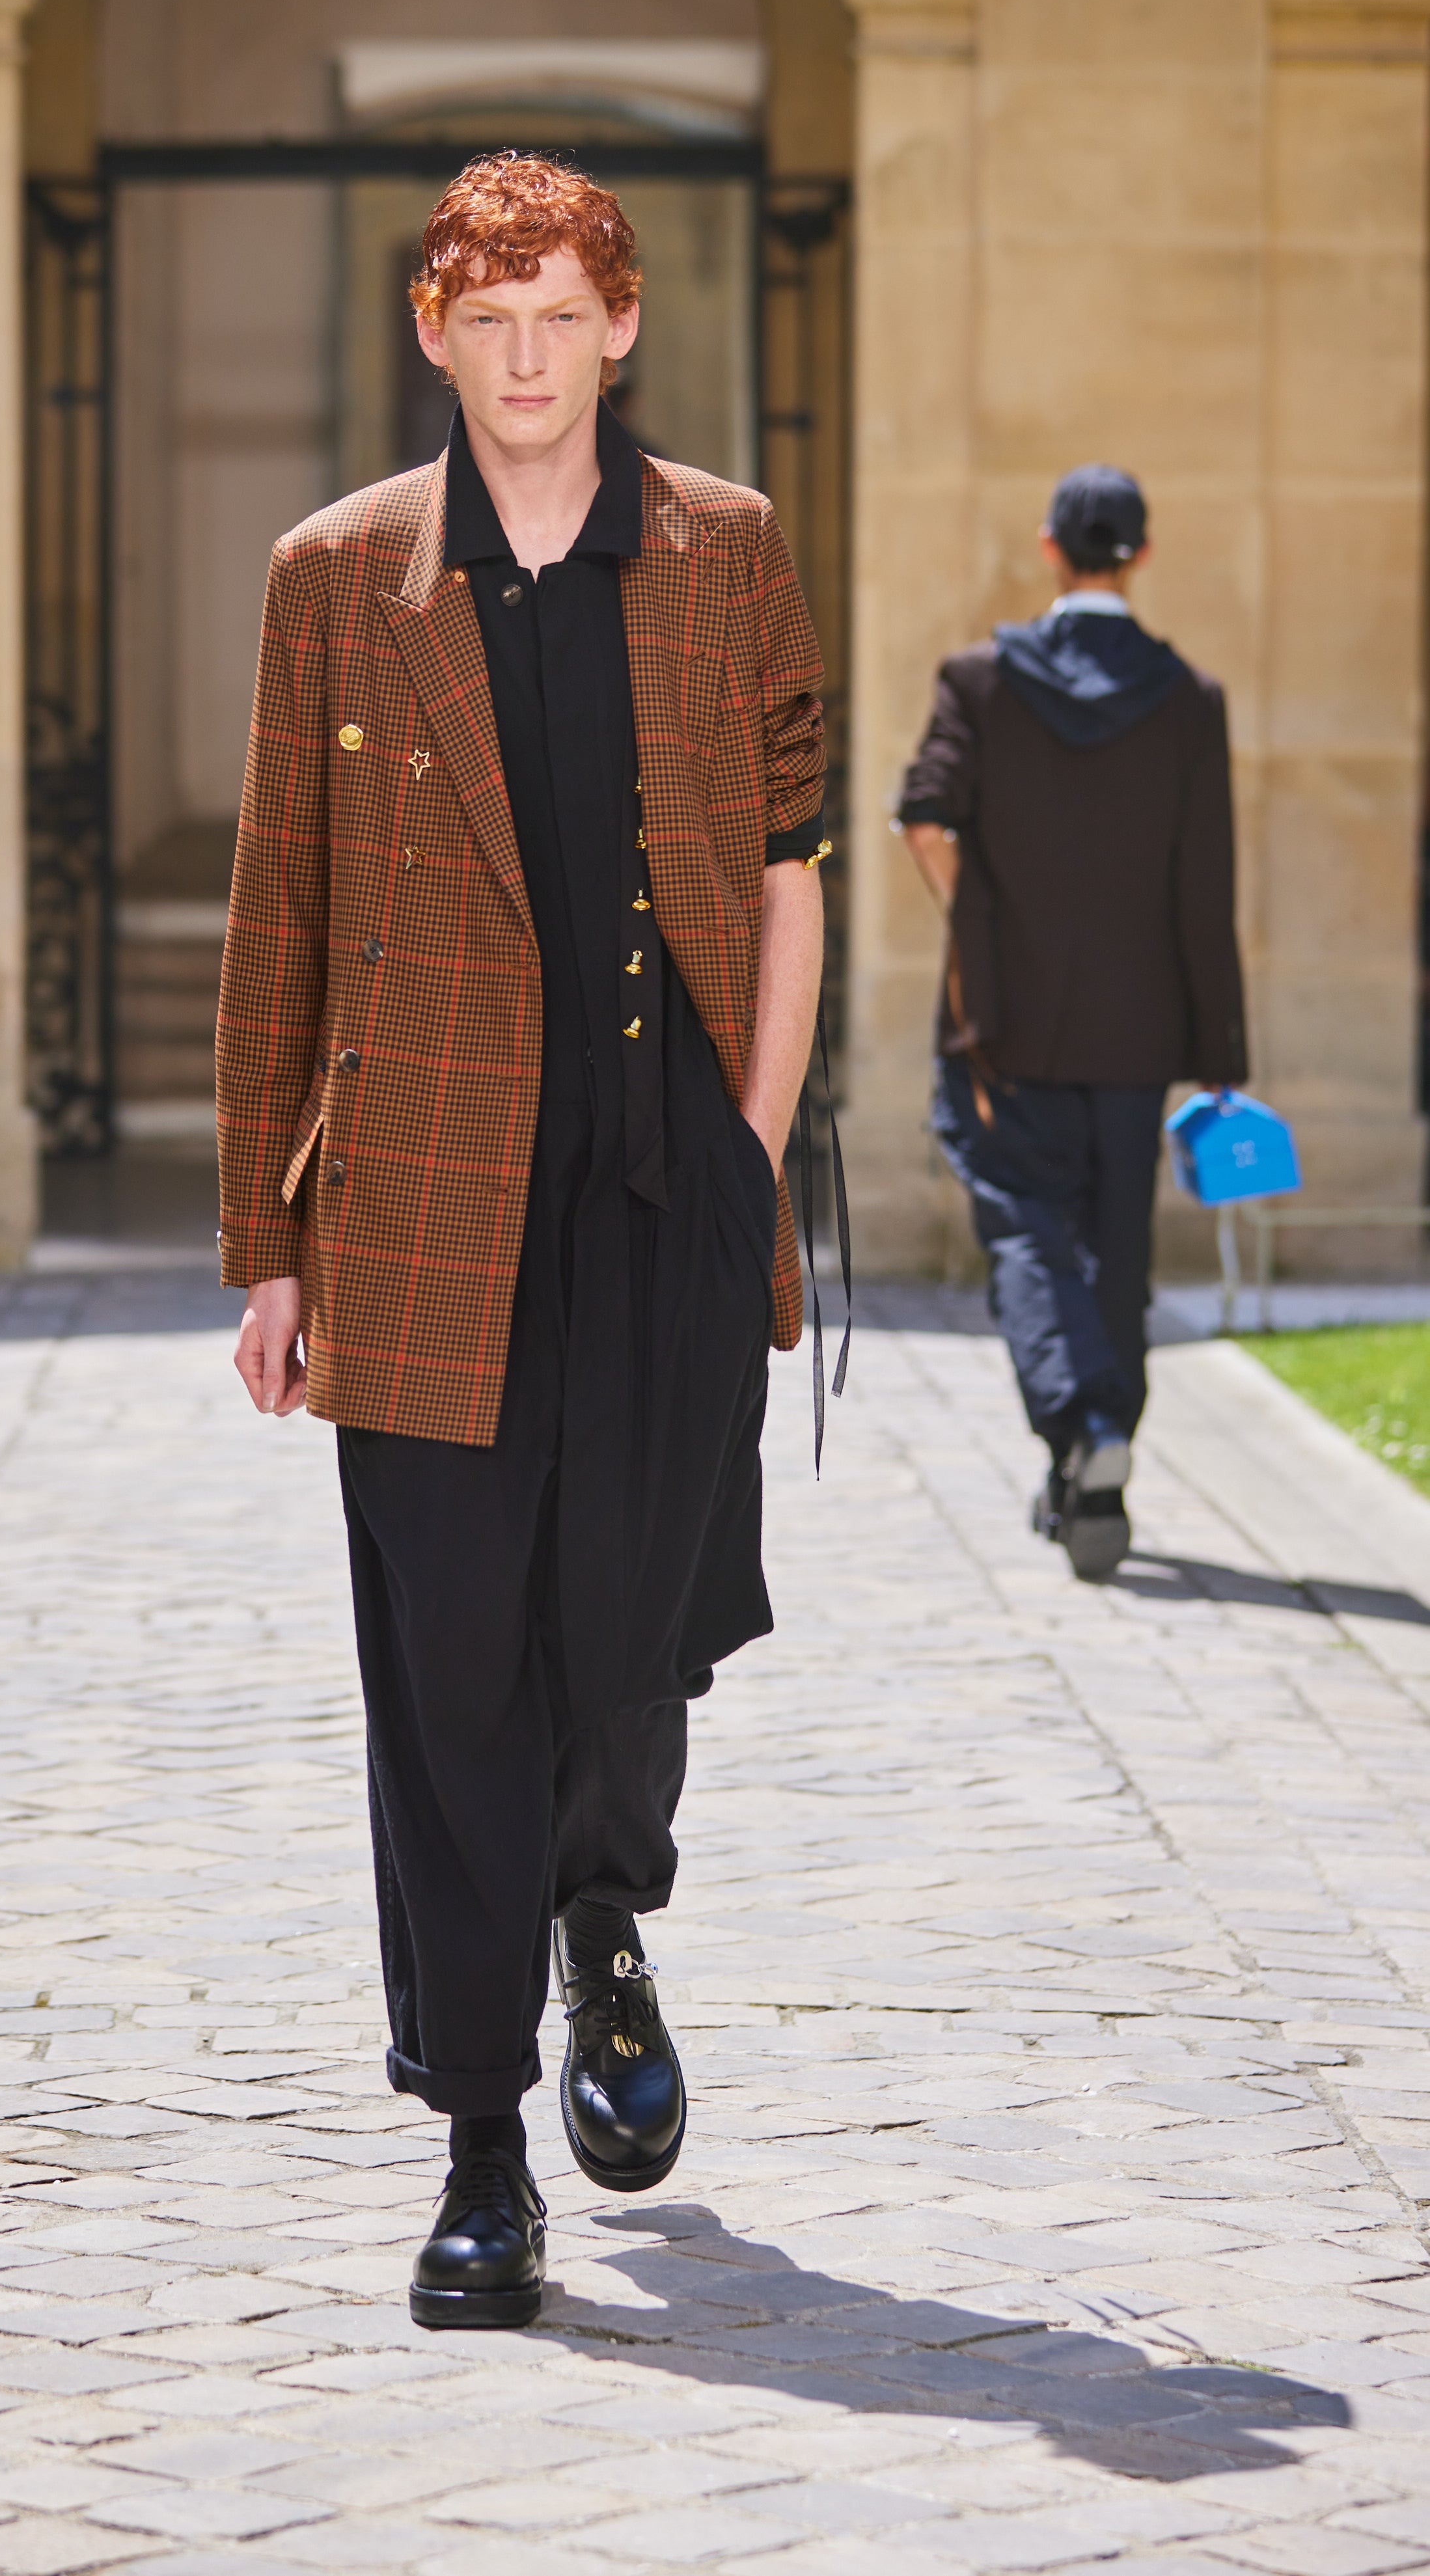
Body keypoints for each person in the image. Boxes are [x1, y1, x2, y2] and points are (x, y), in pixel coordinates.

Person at [217, 152, 829, 2328]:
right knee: (452, 1656)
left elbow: (789, 869)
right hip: (419, 1196)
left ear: (621, 325)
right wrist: (267, 1242)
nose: (527, 355)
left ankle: (603, 1915)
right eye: (489, 319)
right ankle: (480, 2139)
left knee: (629, 1635)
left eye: (562, 313)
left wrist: (751, 1151)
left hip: (666, 1190)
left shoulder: (727, 551)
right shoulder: (336, 576)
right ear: (435, 334)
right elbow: (278, 909)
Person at [896, 463, 1246, 1581]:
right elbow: (1205, 890)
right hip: (1139, 1036)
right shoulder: (1191, 699)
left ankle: (1083, 1424)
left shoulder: (980, 680)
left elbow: (924, 816)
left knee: (1026, 1233)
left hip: (1005, 1022)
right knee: (1117, 1250)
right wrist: (1221, 1057)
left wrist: (980, 922)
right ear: (1141, 556)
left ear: (1051, 547)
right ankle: (1097, 1459)